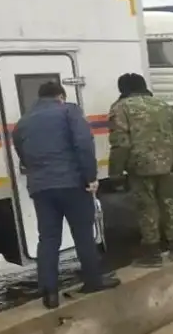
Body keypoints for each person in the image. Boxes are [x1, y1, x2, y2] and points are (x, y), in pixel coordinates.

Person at [12, 81, 120, 309]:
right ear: (60, 95)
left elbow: (21, 152)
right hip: (72, 184)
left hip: (41, 187)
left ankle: (49, 293)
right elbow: (83, 144)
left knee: (48, 238)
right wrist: (90, 176)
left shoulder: (24, 121)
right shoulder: (69, 111)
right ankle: (93, 281)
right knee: (82, 234)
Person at [109, 73, 173, 267]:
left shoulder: (121, 108)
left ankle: (153, 255)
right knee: (169, 205)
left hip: (140, 167)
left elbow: (121, 144)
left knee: (147, 209)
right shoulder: (163, 105)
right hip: (166, 165)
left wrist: (115, 173)